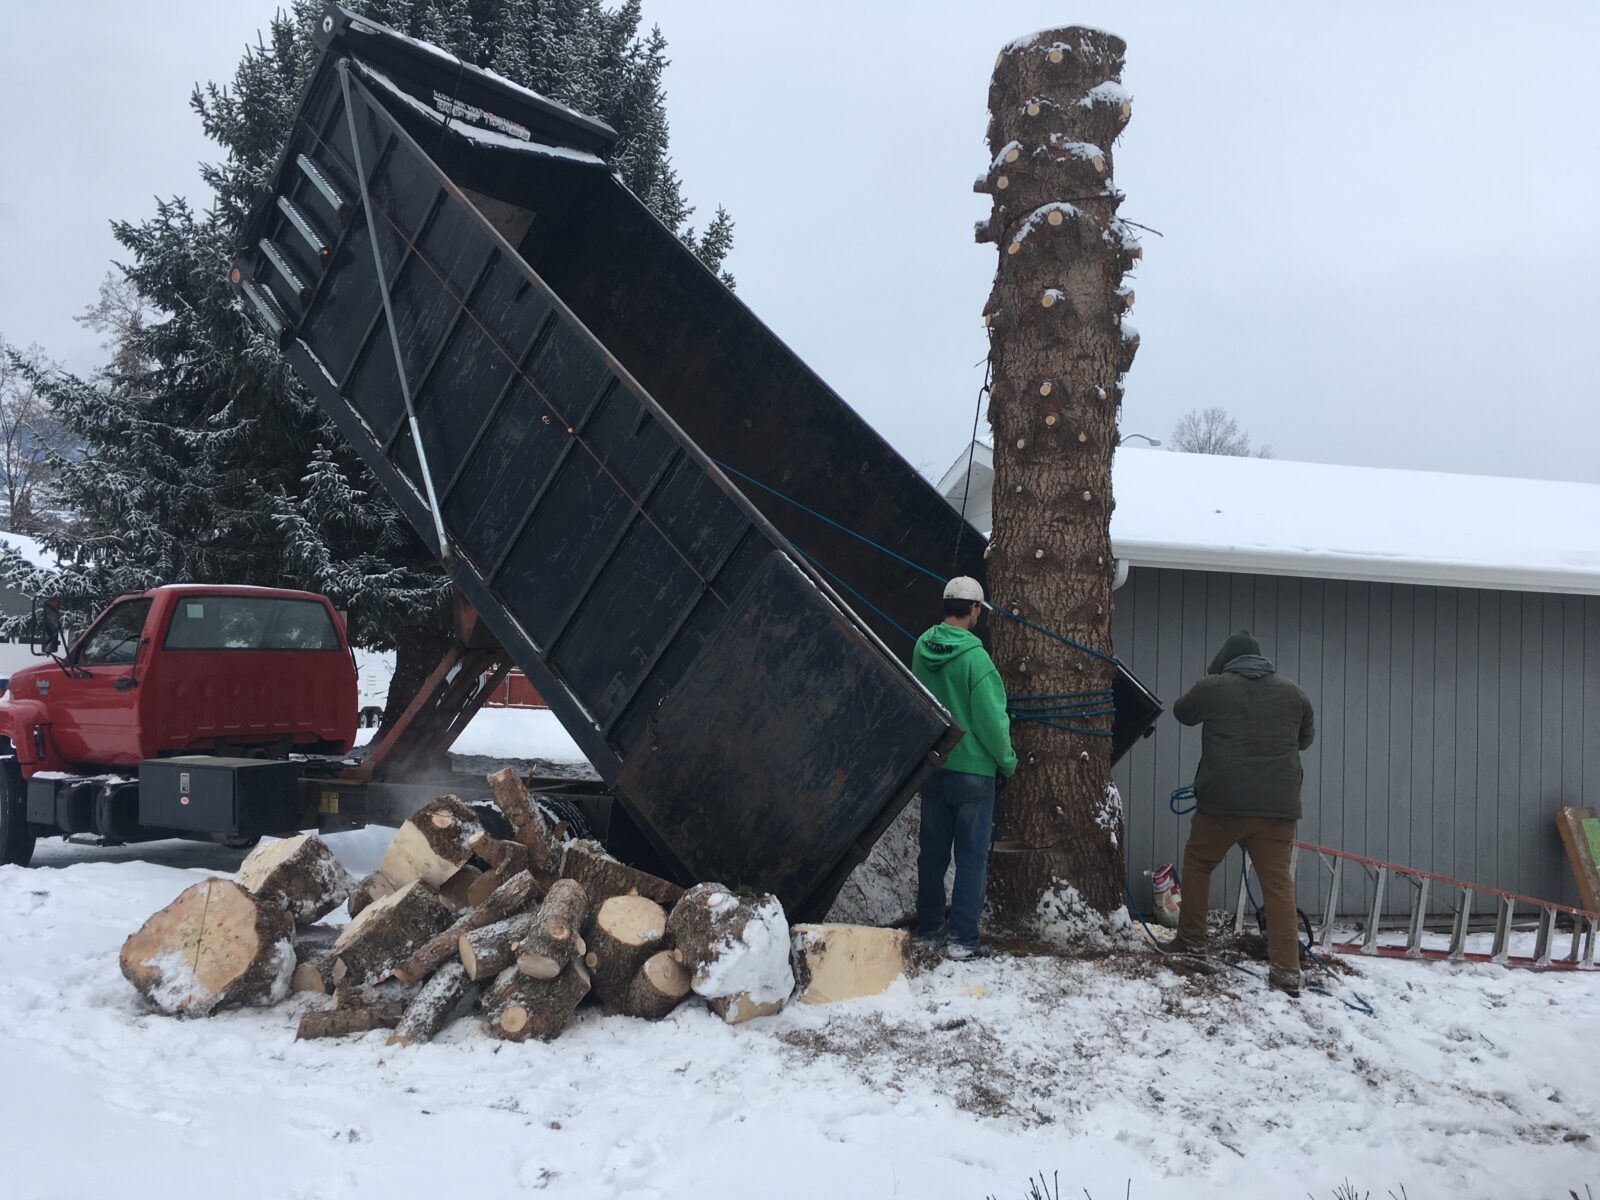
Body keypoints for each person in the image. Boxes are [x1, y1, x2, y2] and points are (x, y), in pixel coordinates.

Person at [1172, 629, 1315, 995]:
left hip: (1222, 804)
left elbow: (1182, 713)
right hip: (1277, 808)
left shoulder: (1213, 687)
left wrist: (1211, 682)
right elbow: (1305, 739)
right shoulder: (1294, 693)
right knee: (1278, 885)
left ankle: (1191, 944)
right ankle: (1285, 970)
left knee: (1199, 864)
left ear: (1226, 663)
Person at [911, 576, 1017, 960]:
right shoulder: (977, 660)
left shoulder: (922, 648)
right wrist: (1007, 762)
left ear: (945, 606)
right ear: (974, 609)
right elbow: (991, 721)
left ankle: (928, 931)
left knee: (932, 855)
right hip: (974, 772)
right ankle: (962, 941)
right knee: (971, 859)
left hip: (935, 765)